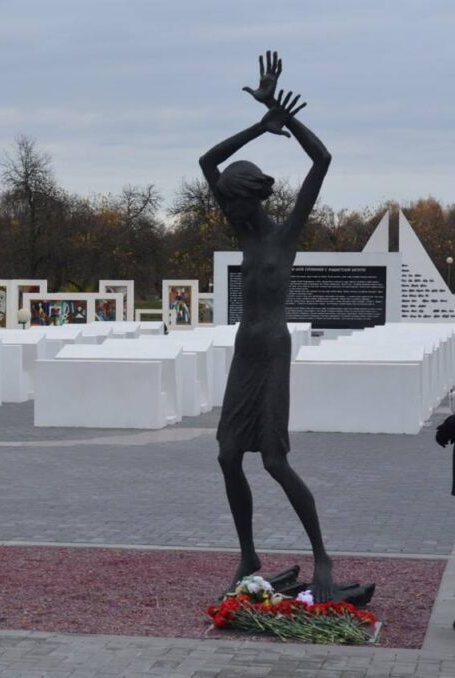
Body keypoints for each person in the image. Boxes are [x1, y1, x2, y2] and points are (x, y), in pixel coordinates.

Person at [200, 51, 334, 602]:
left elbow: (322, 160)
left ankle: (322, 555)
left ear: (251, 197)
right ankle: (248, 554)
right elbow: (207, 161)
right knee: (227, 455)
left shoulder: (284, 235)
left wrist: (287, 117)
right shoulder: (244, 234)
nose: (228, 212)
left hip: (273, 351)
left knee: (275, 462)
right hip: (244, 353)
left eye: (234, 204)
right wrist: (261, 122)